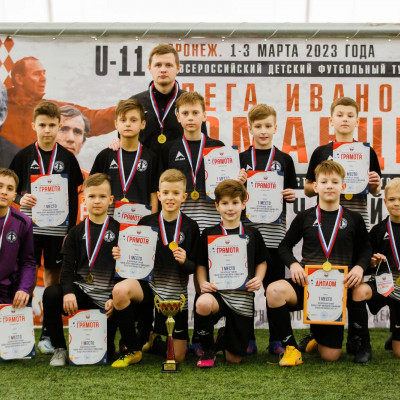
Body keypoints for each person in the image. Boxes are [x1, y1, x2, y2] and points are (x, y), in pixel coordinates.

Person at [267, 160, 372, 366]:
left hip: (339, 290)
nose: (329, 186)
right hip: (307, 285)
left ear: (343, 186)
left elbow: (366, 249)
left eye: (335, 182)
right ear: (315, 187)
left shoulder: (354, 218)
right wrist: (294, 265)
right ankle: (291, 349)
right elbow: (284, 247)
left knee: (330, 356)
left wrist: (360, 267)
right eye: (324, 182)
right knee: (273, 290)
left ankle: (317, 338)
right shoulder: (305, 217)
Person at [302, 96, 382, 353]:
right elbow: (307, 188)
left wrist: (375, 184)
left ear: (357, 121)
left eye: (350, 115)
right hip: (326, 223)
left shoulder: (366, 151)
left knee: (354, 281)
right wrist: (321, 187)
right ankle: (318, 334)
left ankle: (359, 341)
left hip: (354, 224)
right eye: (340, 114)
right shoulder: (321, 152)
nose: (345, 119)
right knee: (323, 278)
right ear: (331, 119)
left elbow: (375, 188)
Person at [9, 101, 83, 353]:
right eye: (43, 125)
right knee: (26, 278)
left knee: (52, 279)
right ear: (34, 126)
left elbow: (73, 198)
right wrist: (20, 198)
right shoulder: (23, 156)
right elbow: (10, 190)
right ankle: (20, 333)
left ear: (59, 126)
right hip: (29, 229)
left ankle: (48, 334)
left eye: (52, 125)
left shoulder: (68, 158)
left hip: (57, 231)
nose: (47, 130)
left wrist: (70, 231)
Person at [111, 169, 200, 367]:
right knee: (120, 291)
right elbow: (132, 260)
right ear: (159, 195)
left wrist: (185, 261)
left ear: (184, 196)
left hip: (174, 295)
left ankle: (154, 341)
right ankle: (133, 349)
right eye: (166, 192)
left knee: (179, 357)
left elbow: (194, 267)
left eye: (176, 193)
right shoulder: (146, 222)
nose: (170, 197)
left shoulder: (191, 226)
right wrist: (120, 254)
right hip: (147, 288)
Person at [159, 91, 225, 356]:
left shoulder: (218, 147)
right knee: (177, 277)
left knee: (203, 281)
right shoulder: (169, 148)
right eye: (185, 113)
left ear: (204, 115)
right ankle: (170, 334)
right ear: (178, 117)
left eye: (195, 112)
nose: (190, 118)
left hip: (210, 223)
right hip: (181, 225)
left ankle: (201, 335)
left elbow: (226, 189)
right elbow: (161, 188)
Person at [42, 173, 119, 366]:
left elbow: (125, 271)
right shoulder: (75, 232)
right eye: (92, 196)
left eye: (102, 196)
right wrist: (68, 292)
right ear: (84, 199)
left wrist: (115, 298)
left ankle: (127, 344)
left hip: (109, 301)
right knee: (51, 294)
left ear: (110, 200)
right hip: (83, 294)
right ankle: (59, 349)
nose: (97, 201)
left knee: (108, 354)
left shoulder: (121, 230)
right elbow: (67, 269)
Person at [239, 104, 297, 356]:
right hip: (246, 237)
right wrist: (238, 183)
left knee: (273, 288)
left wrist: (291, 195)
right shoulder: (241, 159)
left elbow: (291, 192)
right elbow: (231, 197)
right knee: (246, 289)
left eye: (267, 126)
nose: (263, 131)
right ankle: (247, 338)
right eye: (258, 126)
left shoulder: (285, 160)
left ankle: (277, 339)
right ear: (250, 128)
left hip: (274, 237)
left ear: (275, 128)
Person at [194, 179, 268, 368]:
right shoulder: (209, 233)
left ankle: (223, 336)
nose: (230, 208)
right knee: (202, 303)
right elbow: (201, 264)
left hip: (241, 298)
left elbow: (262, 262)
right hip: (216, 294)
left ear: (243, 204)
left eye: (235, 202)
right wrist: (202, 283)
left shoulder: (252, 234)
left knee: (234, 359)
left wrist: (258, 278)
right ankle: (208, 350)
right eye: (225, 203)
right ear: (217, 205)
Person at [1, 56, 115, 157]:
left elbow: (94, 119)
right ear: (19, 79)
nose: (43, 79)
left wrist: (123, 110)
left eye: (44, 73)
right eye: (36, 74)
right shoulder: (3, 107)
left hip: (40, 172)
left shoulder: (52, 109)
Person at [350, 177, 400, 360]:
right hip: (384, 284)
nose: (397, 203)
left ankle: (396, 335)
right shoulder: (378, 231)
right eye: (392, 199)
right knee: (358, 291)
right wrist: (372, 263)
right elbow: (366, 265)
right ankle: (363, 345)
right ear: (385, 202)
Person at [130, 44, 207, 153]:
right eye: (158, 65)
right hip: (143, 163)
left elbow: (203, 141)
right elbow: (123, 140)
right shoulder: (134, 103)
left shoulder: (192, 103)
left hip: (182, 163)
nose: (163, 70)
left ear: (178, 68)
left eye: (168, 65)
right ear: (149, 68)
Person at [90, 99, 159, 215]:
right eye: (123, 120)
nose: (128, 124)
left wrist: (151, 222)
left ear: (143, 124)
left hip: (141, 223)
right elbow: (92, 191)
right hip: (109, 222)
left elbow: (154, 195)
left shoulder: (151, 158)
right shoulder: (105, 156)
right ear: (116, 124)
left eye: (133, 120)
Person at [0, 167, 36, 306]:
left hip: (9, 294)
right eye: (0, 186)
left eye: (9, 188)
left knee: (24, 297)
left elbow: (28, 261)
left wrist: (23, 289)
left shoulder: (23, 222)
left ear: (14, 195)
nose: (4, 192)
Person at [57, 105, 91, 223]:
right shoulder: (27, 181)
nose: (71, 138)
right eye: (63, 129)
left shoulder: (94, 185)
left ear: (83, 141)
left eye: (77, 132)